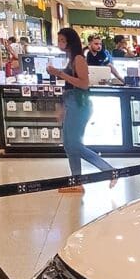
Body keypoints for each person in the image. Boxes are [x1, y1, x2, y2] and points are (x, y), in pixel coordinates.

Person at [45, 28, 117, 193]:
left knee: (74, 145)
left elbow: (84, 84)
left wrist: (60, 74)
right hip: (73, 103)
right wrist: (63, 107)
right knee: (70, 146)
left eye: (62, 40)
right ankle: (76, 181)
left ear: (69, 41)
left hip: (80, 104)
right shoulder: (71, 59)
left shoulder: (78, 59)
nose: (59, 43)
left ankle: (108, 170)